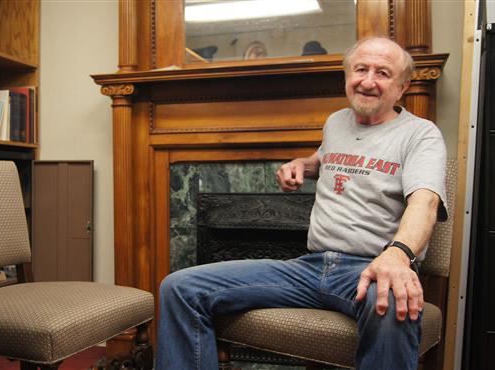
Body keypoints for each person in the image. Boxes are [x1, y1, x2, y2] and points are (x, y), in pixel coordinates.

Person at [156, 36, 447, 370]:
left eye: (382, 73)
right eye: (361, 69)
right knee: (180, 288)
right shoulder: (337, 122)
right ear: (347, 75)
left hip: (369, 269)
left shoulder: (420, 134)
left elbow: (425, 203)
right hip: (309, 268)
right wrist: (300, 165)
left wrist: (397, 256)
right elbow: (325, 160)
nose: (368, 81)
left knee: (393, 301)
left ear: (403, 86)